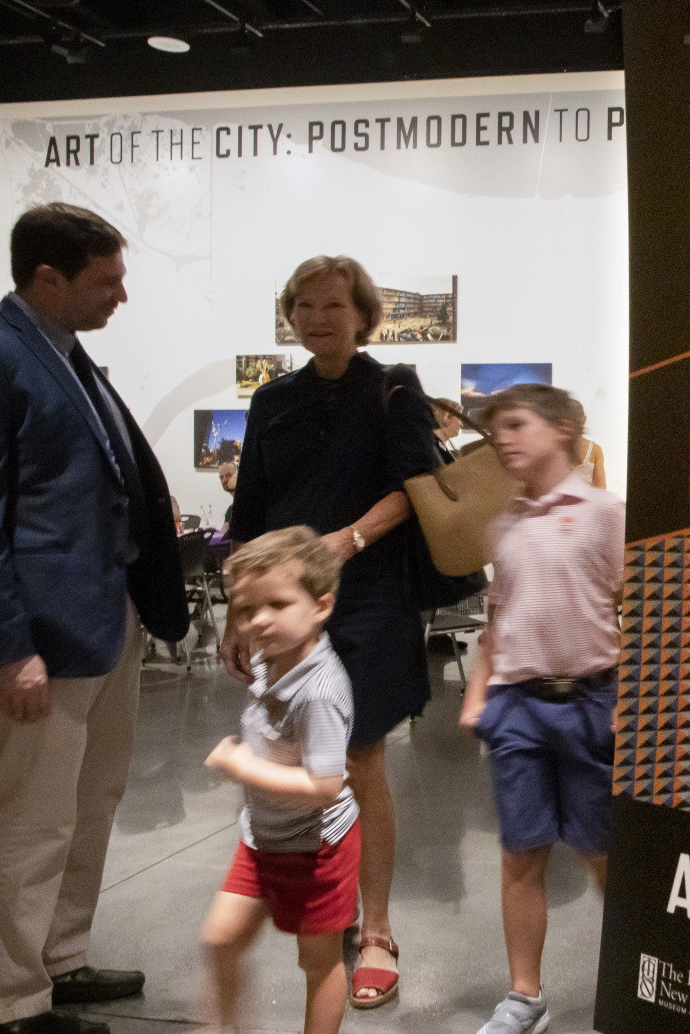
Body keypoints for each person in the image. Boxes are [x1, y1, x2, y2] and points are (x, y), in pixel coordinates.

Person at [0, 202, 188, 1034]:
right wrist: (7, 647)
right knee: (30, 819)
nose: (120, 295)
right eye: (107, 280)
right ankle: (3, 1004)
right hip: (39, 641)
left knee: (92, 801)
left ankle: (59, 959)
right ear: (46, 278)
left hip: (104, 620)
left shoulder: (70, 356)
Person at [222, 255, 435, 1009]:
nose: (318, 317)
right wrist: (234, 611)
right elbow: (249, 511)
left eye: (334, 304)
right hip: (285, 610)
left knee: (360, 758)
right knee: (296, 757)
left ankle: (374, 928)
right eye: (304, 305)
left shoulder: (394, 388)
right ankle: (327, 903)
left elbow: (415, 490)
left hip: (370, 598)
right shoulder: (272, 398)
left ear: (362, 313)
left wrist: (345, 542)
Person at [460, 384, 624, 1034]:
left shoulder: (603, 512)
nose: (502, 437)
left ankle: (636, 969)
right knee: (521, 854)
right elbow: (497, 620)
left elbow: (641, 603)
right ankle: (525, 996)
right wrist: (479, 695)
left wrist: (631, 700)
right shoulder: (505, 525)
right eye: (496, 428)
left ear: (561, 429)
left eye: (515, 423)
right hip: (518, 708)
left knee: (600, 848)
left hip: (590, 701)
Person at [202, 527, 359, 1034]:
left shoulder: (318, 690)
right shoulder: (274, 661)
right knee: (221, 940)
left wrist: (245, 766)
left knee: (318, 964)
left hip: (318, 849)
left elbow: (326, 784)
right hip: (263, 837)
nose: (258, 619)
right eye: (245, 610)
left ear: (320, 606)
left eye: (277, 603)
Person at [428, 397, 466, 461]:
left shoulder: (439, 448)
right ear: (446, 417)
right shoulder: (431, 450)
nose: (461, 425)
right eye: (459, 419)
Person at [217, 460, 238, 535]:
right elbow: (223, 533)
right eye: (221, 477)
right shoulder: (230, 509)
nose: (224, 480)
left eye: (228, 475)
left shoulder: (248, 503)